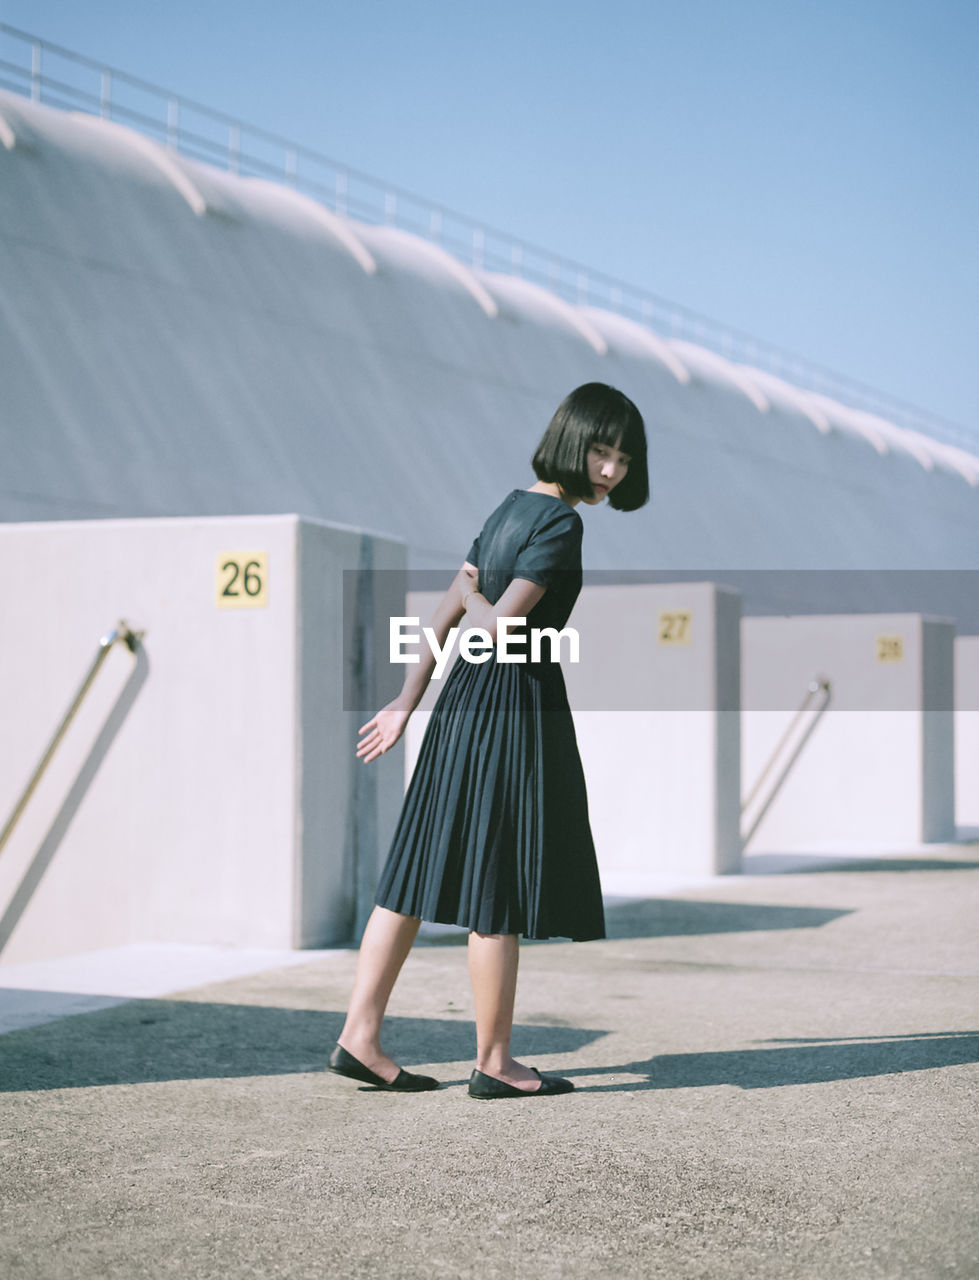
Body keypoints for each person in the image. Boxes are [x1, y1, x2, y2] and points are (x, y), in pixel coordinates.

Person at [329, 382, 649, 1098]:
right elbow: (490, 622)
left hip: (460, 702)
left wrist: (406, 702)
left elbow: (443, 610)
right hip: (513, 704)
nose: (609, 472)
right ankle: (495, 1062)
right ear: (569, 440)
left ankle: (360, 1035)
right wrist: (481, 605)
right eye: (601, 452)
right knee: (495, 880)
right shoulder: (560, 524)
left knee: (411, 873)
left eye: (623, 460)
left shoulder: (506, 509)